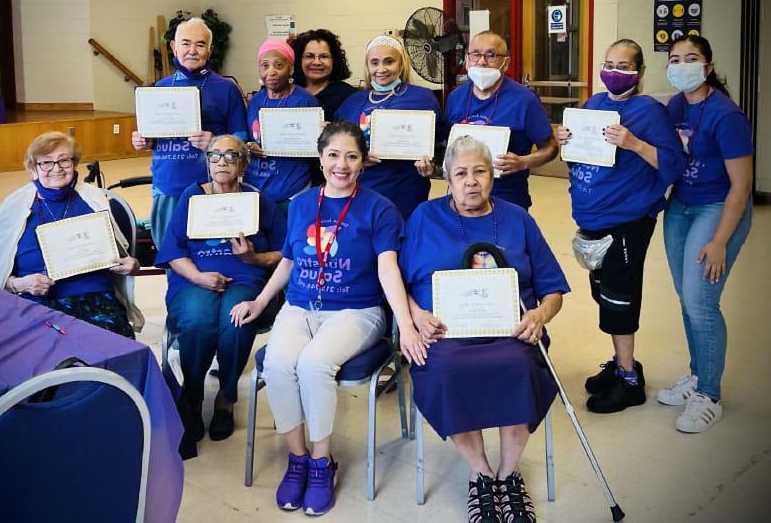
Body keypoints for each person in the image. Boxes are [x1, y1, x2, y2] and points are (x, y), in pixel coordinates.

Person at [229, 120, 419, 516]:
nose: (342, 165)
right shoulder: (300, 204)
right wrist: (261, 302)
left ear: (363, 162)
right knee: (279, 363)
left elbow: (388, 269)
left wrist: (407, 326)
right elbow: (289, 260)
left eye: (352, 156)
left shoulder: (379, 209)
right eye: (333, 155)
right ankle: (296, 458)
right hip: (300, 306)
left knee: (315, 364)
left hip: (356, 311)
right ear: (320, 158)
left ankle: (320, 462)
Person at [399, 136, 569, 523]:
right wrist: (414, 315)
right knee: (445, 369)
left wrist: (540, 315)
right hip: (444, 332)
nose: (471, 181)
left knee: (520, 366)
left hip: (509, 329)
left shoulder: (517, 218)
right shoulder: (424, 216)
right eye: (461, 173)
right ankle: (480, 473)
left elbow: (553, 288)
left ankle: (509, 475)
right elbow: (402, 284)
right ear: (447, 178)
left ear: (492, 176)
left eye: (480, 171)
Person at [556, 39, 686, 414]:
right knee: (604, 293)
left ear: (640, 73)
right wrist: (564, 141)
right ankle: (620, 361)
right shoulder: (594, 105)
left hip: (627, 220)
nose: (614, 72)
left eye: (624, 66)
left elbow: (672, 166)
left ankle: (629, 379)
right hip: (593, 219)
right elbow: (577, 160)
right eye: (609, 64)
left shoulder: (649, 112)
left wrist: (634, 144)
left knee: (619, 296)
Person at [155, 135, 286, 441]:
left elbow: (285, 251)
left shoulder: (258, 200)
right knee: (197, 320)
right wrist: (199, 277)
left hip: (245, 279)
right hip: (194, 278)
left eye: (231, 156)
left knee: (236, 321)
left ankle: (226, 397)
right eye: (215, 156)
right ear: (207, 161)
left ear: (244, 162)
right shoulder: (191, 196)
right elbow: (172, 251)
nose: (222, 162)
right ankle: (193, 394)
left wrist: (253, 257)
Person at [659, 35, 753, 433]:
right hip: (680, 206)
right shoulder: (676, 105)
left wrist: (719, 241)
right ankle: (697, 377)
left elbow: (741, 186)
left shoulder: (726, 115)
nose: (683, 66)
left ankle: (710, 396)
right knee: (687, 298)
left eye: (691, 58)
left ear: (708, 67)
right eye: (675, 59)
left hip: (718, 208)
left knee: (702, 302)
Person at [0, 131, 144, 338]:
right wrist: (19, 284)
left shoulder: (95, 200)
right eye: (46, 162)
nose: (56, 169)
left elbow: (123, 256)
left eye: (64, 161)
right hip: (37, 299)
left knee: (109, 352)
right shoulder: (13, 208)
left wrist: (132, 265)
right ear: (33, 168)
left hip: (96, 296)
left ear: (75, 164)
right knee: (43, 355)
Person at [131, 17, 248, 249]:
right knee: (171, 258)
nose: (192, 50)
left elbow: (242, 142)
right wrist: (144, 141)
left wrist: (214, 143)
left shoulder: (227, 89)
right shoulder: (159, 88)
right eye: (185, 43)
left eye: (200, 44)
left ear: (210, 49)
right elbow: (150, 135)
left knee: (211, 256)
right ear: (174, 47)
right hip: (167, 187)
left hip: (210, 188)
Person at [445, 30, 557, 210]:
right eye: (475, 54)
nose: (481, 62)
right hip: (462, 198)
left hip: (508, 199)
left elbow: (551, 148)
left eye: (491, 55)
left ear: (505, 63)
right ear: (466, 59)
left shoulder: (524, 100)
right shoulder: (455, 97)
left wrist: (523, 162)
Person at [334, 35, 443, 219]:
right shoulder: (352, 102)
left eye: (389, 61)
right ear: (367, 66)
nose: (381, 69)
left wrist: (432, 166)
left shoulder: (422, 98)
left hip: (406, 191)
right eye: (374, 62)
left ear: (401, 64)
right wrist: (358, 157)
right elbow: (338, 145)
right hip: (361, 190)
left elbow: (440, 144)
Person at [244, 39, 320, 210]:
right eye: (265, 66)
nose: (271, 72)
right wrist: (248, 147)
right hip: (256, 185)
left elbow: (317, 147)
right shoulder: (255, 101)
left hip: (292, 189)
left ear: (291, 68)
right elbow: (246, 140)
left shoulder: (306, 101)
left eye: (278, 65)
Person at [291, 29, 356, 121]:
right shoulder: (288, 92)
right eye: (309, 56)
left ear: (334, 60)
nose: (316, 62)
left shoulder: (349, 95)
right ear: (299, 60)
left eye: (324, 56)